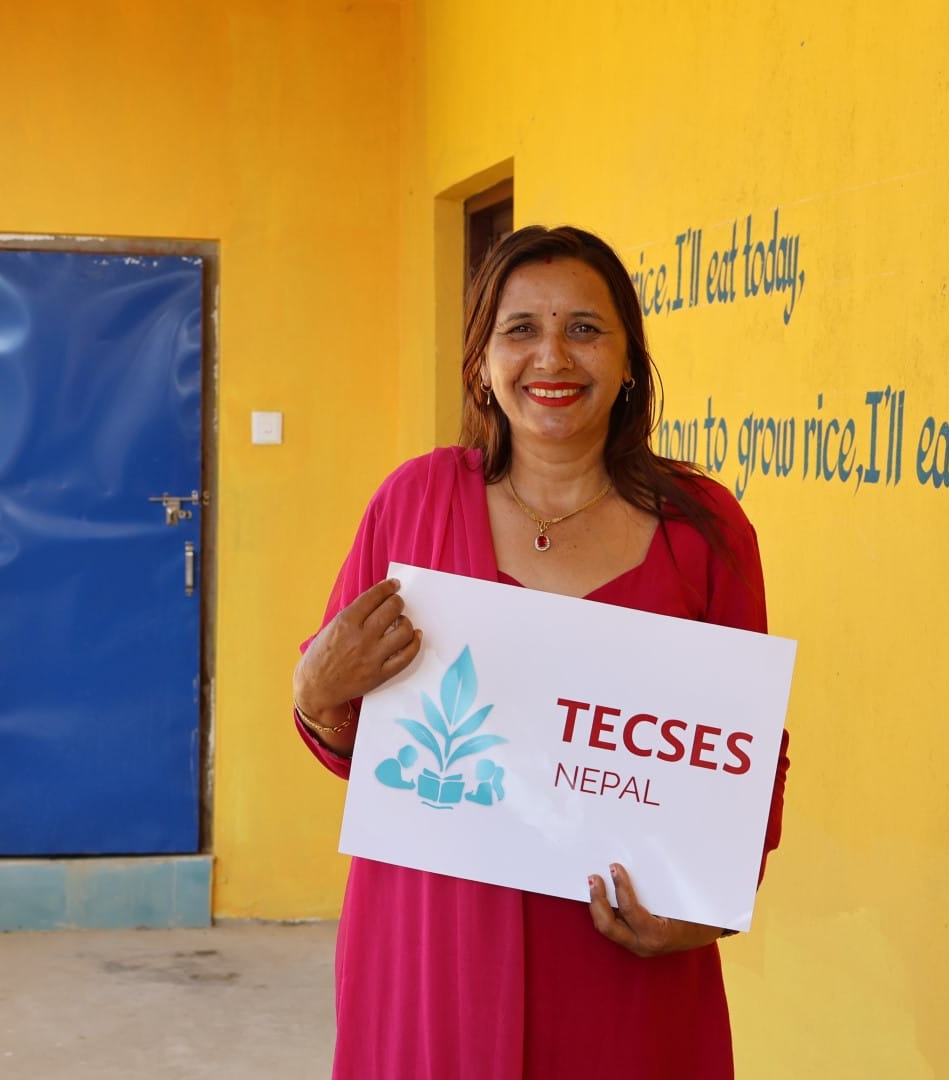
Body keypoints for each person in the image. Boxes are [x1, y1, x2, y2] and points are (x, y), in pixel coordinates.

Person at [292, 224, 791, 1079]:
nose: (552, 356)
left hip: (621, 964)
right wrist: (313, 693)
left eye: (585, 328)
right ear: (483, 359)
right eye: (520, 329)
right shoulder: (413, 503)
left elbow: (749, 762)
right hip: (431, 948)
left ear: (630, 357)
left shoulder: (706, 532)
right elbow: (349, 732)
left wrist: (709, 910)